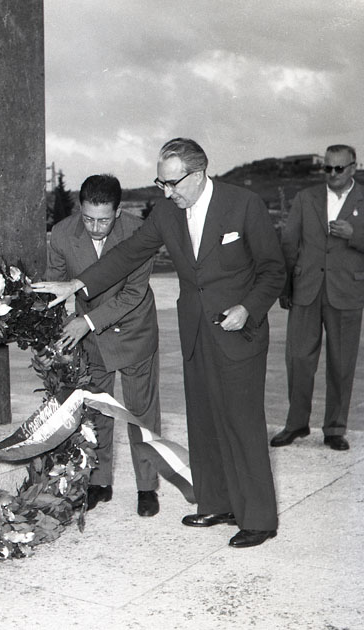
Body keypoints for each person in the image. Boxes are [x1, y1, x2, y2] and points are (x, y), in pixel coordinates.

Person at [34, 138, 285, 548]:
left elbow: (274, 270)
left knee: (243, 423)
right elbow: (128, 254)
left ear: (199, 174)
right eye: (161, 183)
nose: (167, 193)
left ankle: (259, 519)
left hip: (239, 332)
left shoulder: (243, 205)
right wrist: (78, 283)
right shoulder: (168, 213)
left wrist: (248, 307)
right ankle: (217, 503)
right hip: (196, 332)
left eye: (173, 183)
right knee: (203, 422)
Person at [46, 174, 162, 516]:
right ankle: (99, 482)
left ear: (119, 211)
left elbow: (133, 293)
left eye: (104, 220)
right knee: (98, 409)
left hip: (133, 330)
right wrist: (57, 333)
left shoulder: (139, 232)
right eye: (88, 219)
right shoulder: (63, 234)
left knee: (141, 413)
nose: (95, 228)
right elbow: (56, 288)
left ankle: (147, 487)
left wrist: (87, 322)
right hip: (91, 338)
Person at [271, 145, 364, 451]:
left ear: (353, 167)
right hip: (306, 290)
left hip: (347, 291)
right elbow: (289, 243)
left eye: (339, 168)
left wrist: (354, 234)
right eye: (327, 168)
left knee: (341, 364)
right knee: (298, 359)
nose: (332, 174)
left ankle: (335, 428)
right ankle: (296, 424)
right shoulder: (305, 198)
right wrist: (286, 287)